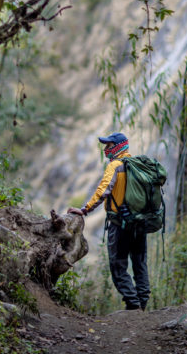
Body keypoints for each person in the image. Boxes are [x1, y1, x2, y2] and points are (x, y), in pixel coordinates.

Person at [67, 132, 150, 311]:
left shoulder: (116, 165)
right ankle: (142, 303)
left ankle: (133, 304)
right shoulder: (139, 166)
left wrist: (84, 210)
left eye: (109, 145)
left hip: (120, 224)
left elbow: (103, 190)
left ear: (119, 146)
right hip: (141, 223)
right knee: (140, 263)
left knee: (118, 265)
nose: (106, 149)